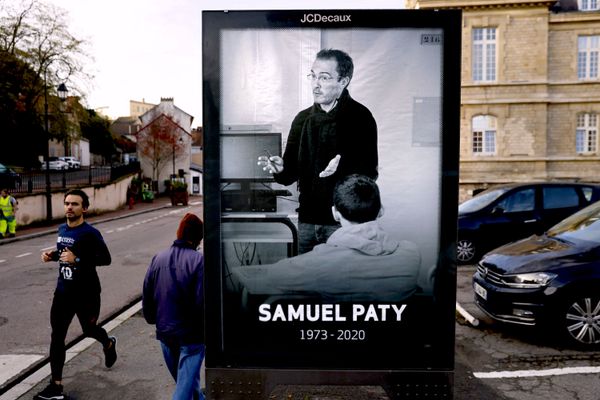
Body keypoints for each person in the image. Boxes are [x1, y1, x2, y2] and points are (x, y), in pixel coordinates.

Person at [258, 49, 378, 253]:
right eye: (313, 76)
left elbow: (370, 176)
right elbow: (288, 176)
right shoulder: (302, 119)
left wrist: (341, 171)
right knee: (305, 282)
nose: (316, 84)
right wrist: (279, 169)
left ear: (344, 81)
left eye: (324, 77)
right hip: (307, 222)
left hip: (343, 224)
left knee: (339, 283)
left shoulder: (361, 118)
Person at [232, 174, 422, 302]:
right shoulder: (411, 255)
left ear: (335, 213)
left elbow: (262, 281)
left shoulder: (315, 263)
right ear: (381, 211)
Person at [35, 189, 116, 400]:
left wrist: (78, 259)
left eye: (75, 204)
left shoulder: (90, 233)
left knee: (89, 330)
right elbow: (64, 254)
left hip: (87, 294)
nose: (69, 207)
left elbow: (106, 259)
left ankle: (108, 343)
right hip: (63, 293)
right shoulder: (62, 229)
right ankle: (56, 386)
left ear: (84, 208)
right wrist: (51, 256)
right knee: (57, 336)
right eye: (67, 203)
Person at [143, 213, 205, 400]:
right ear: (198, 238)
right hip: (191, 336)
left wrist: (153, 319)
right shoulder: (199, 261)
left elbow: (147, 292)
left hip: (165, 332)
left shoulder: (158, 258)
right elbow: (201, 301)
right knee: (183, 389)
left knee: (185, 381)